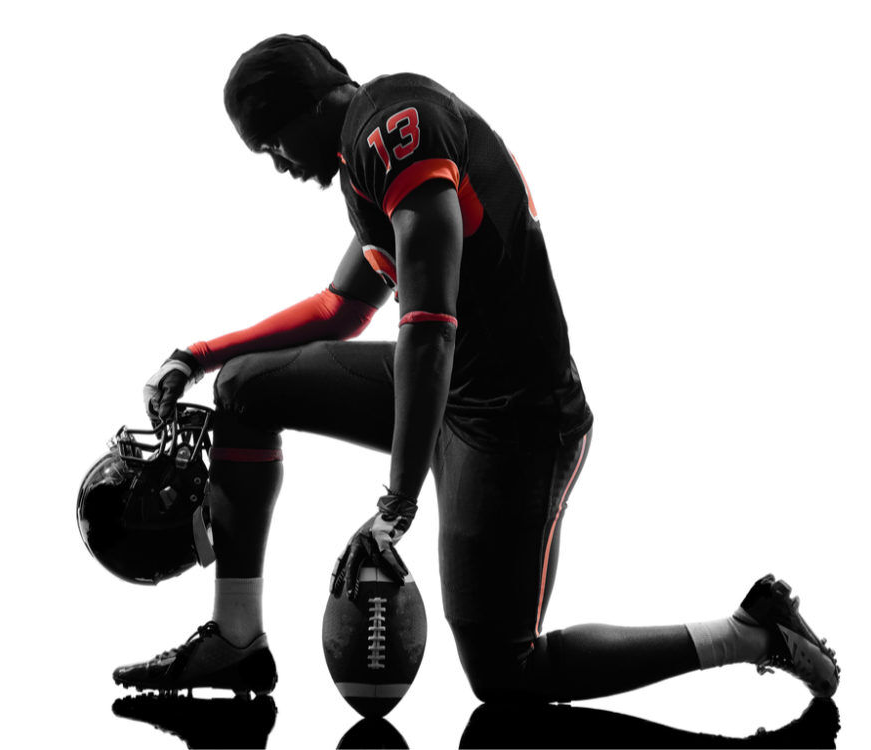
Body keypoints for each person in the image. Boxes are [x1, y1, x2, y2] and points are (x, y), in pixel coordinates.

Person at [114, 34, 839, 703]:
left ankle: (751, 632)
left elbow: (429, 330)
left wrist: (396, 506)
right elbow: (342, 307)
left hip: (515, 421)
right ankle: (237, 641)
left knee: (506, 673)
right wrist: (200, 355)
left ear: (309, 104)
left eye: (273, 143)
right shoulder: (364, 151)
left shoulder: (392, 129)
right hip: (457, 391)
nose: (278, 163)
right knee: (246, 386)